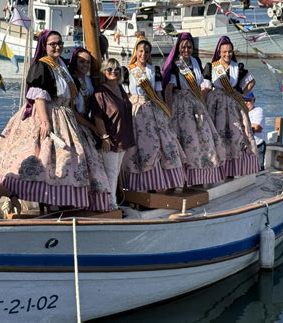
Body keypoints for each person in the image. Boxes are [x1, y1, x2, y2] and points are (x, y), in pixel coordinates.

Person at [0, 30, 96, 211]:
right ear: (44, 46)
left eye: (59, 43)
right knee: (46, 157)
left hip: (65, 115)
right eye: (52, 44)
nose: (57, 47)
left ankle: (60, 201)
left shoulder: (61, 64)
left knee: (67, 159)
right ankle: (44, 203)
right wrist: (45, 122)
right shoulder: (42, 65)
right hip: (47, 113)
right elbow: (39, 96)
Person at [123, 37, 186, 191]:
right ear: (136, 52)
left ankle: (161, 183)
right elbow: (124, 94)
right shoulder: (128, 70)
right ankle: (139, 186)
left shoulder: (154, 70)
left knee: (163, 142)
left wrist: (164, 111)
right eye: (141, 51)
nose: (143, 54)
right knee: (139, 146)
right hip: (135, 110)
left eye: (147, 51)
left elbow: (158, 92)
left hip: (153, 108)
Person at [162, 33, 225, 185]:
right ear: (178, 48)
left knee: (203, 139)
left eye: (189, 46)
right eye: (183, 46)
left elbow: (200, 84)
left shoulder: (196, 61)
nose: (186, 49)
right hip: (180, 105)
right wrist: (169, 111)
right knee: (186, 141)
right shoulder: (175, 65)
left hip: (196, 104)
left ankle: (200, 178)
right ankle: (182, 180)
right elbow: (169, 89)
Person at [203, 36, 259, 176]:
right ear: (219, 52)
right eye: (224, 52)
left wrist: (240, 91)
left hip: (233, 105)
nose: (227, 54)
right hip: (216, 105)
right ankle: (216, 169)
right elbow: (205, 88)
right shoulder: (212, 67)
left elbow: (251, 82)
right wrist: (203, 105)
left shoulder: (237, 67)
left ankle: (232, 170)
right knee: (217, 135)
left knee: (236, 135)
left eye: (230, 51)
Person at [67, 47, 111, 211]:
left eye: (88, 62)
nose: (85, 65)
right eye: (81, 61)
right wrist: (93, 127)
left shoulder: (91, 80)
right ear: (74, 62)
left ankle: (96, 202)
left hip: (88, 123)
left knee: (94, 161)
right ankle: (77, 202)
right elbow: (72, 109)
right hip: (76, 124)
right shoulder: (71, 81)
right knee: (81, 160)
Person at [92, 58, 135, 209]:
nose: (114, 72)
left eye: (117, 69)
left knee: (115, 172)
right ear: (104, 72)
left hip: (123, 136)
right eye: (110, 69)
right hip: (110, 138)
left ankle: (112, 202)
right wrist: (104, 137)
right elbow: (98, 116)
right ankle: (111, 205)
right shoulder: (100, 92)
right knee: (110, 172)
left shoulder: (120, 88)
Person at [244, 91, 266, 170]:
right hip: (245, 146)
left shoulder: (258, 110)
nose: (246, 102)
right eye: (244, 100)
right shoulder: (240, 111)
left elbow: (257, 128)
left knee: (259, 169)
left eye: (248, 100)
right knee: (247, 169)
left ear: (253, 100)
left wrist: (243, 126)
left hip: (258, 145)